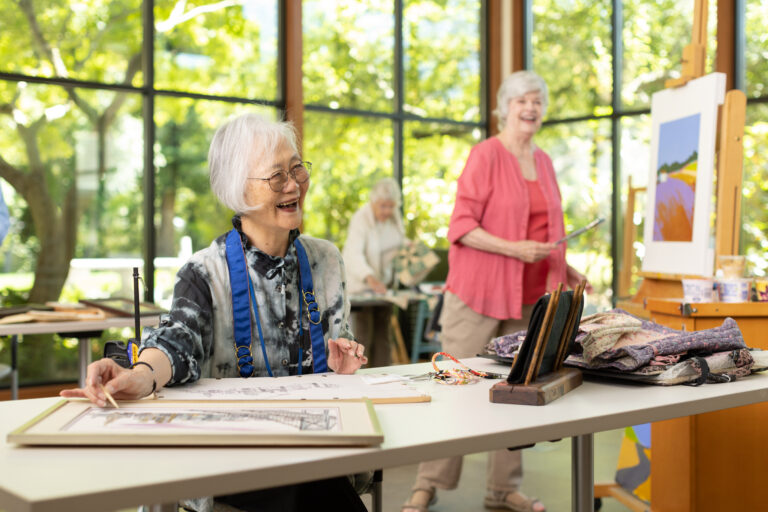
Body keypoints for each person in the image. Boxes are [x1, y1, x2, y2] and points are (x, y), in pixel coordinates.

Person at [62, 113, 369, 512]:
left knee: (315, 483)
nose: (294, 184)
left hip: (316, 448)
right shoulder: (205, 271)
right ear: (237, 190)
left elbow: (338, 349)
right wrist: (139, 376)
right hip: (235, 460)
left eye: (297, 168)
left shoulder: (326, 259)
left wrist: (343, 363)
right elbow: (177, 341)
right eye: (276, 176)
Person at [402, 71, 591, 512]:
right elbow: (461, 227)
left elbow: (544, 235)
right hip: (478, 293)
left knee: (517, 393)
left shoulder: (543, 162)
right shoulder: (485, 155)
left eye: (538, 101)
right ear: (504, 107)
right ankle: (426, 484)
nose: (530, 108)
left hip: (529, 299)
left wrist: (570, 269)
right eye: (522, 100)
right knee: (456, 388)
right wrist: (514, 249)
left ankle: (503, 490)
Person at [342, 178, 406, 367]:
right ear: (373, 202)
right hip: (362, 287)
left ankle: (383, 375)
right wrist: (370, 277)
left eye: (391, 206)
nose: (387, 211)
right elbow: (352, 253)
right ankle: (361, 378)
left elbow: (399, 248)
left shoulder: (395, 219)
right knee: (363, 336)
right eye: (383, 206)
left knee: (384, 336)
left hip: (384, 289)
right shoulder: (361, 218)